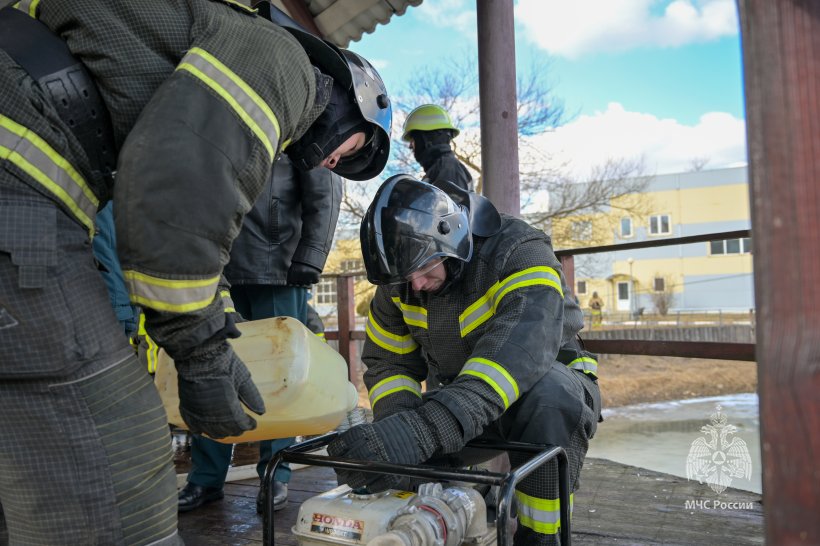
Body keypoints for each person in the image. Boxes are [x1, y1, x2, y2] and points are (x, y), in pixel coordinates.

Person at [0, 1, 390, 543]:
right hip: (15, 193)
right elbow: (176, 187)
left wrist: (213, 328)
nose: (335, 165)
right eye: (353, 152)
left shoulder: (219, 40)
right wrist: (201, 352)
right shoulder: (287, 65)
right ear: (355, 103)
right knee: (118, 443)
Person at [328, 175, 601, 545]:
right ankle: (460, 508)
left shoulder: (519, 250)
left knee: (548, 397)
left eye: (426, 271)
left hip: (545, 395)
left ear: (452, 239)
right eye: (406, 278)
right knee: (404, 442)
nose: (417, 286)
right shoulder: (401, 282)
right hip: (462, 406)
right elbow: (389, 366)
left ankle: (541, 536)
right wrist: (397, 438)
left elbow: (519, 353)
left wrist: (425, 429)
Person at [177, 155, 342, 515]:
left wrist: (311, 256)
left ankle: (275, 473)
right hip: (217, 264)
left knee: (281, 380)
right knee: (211, 368)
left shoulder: (299, 123)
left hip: (280, 268)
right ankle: (206, 477)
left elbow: (325, 189)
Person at [402, 104, 473, 191]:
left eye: (413, 140)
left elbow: (445, 204)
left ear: (425, 138)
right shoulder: (439, 168)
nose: (410, 146)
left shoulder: (447, 167)